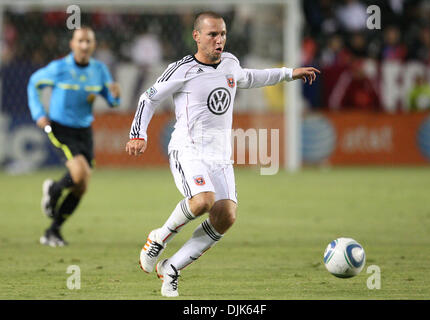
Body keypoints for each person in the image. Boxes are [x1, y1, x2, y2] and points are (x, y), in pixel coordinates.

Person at [125, 11, 319, 297]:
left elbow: (250, 77)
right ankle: (159, 237)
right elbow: (148, 97)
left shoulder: (230, 62)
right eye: (212, 34)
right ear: (197, 36)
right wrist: (137, 134)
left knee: (226, 216)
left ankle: (172, 269)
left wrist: (289, 73)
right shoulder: (181, 69)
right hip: (187, 149)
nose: (219, 40)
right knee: (203, 200)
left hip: (219, 155)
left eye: (223, 34)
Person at [27, 26, 121, 247]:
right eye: (80, 41)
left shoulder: (99, 70)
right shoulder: (59, 68)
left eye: (89, 41)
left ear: (94, 45)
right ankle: (54, 189)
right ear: (72, 44)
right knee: (79, 173)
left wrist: (115, 96)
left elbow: (111, 100)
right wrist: (39, 114)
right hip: (60, 127)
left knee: (82, 185)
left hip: (84, 130)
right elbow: (34, 83)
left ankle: (53, 230)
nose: (85, 45)